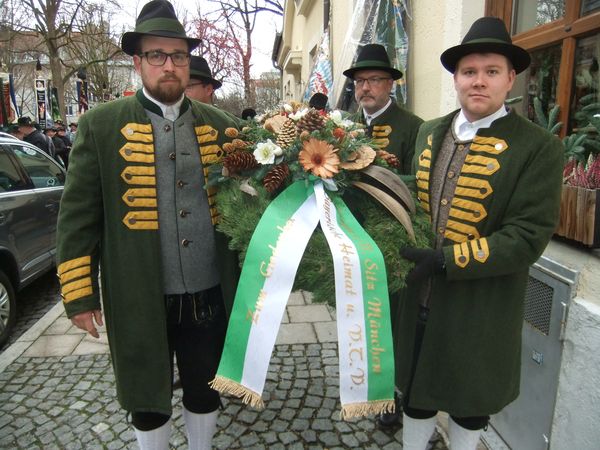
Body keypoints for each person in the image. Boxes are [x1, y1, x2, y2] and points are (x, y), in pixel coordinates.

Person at [55, 1, 239, 449]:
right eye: (156, 55)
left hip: (208, 288)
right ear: (137, 63)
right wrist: (79, 294)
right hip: (137, 291)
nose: (169, 66)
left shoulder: (223, 127)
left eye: (177, 56)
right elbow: (78, 216)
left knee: (205, 386)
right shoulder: (100, 126)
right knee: (146, 394)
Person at [395, 17, 564, 450]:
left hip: (482, 306)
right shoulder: (429, 131)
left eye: (492, 72)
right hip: (419, 297)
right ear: (456, 78)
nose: (479, 82)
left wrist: (448, 260)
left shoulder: (538, 146)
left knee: (470, 405)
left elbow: (528, 235)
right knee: (414, 396)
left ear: (510, 78)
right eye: (469, 72)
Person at [343, 44, 423, 175]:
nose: (365, 88)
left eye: (374, 79)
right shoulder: (344, 125)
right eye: (360, 80)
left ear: (390, 84)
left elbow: (414, 182)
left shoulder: (414, 128)